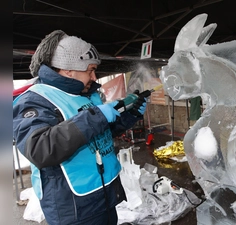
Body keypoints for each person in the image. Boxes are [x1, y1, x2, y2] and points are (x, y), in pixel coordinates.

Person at [13, 30, 146, 225]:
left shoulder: (87, 94)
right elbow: (40, 148)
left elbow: (98, 134)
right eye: (90, 70)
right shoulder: (34, 100)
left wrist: (129, 115)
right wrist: (96, 116)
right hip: (73, 208)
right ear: (69, 70)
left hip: (104, 196)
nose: (94, 77)